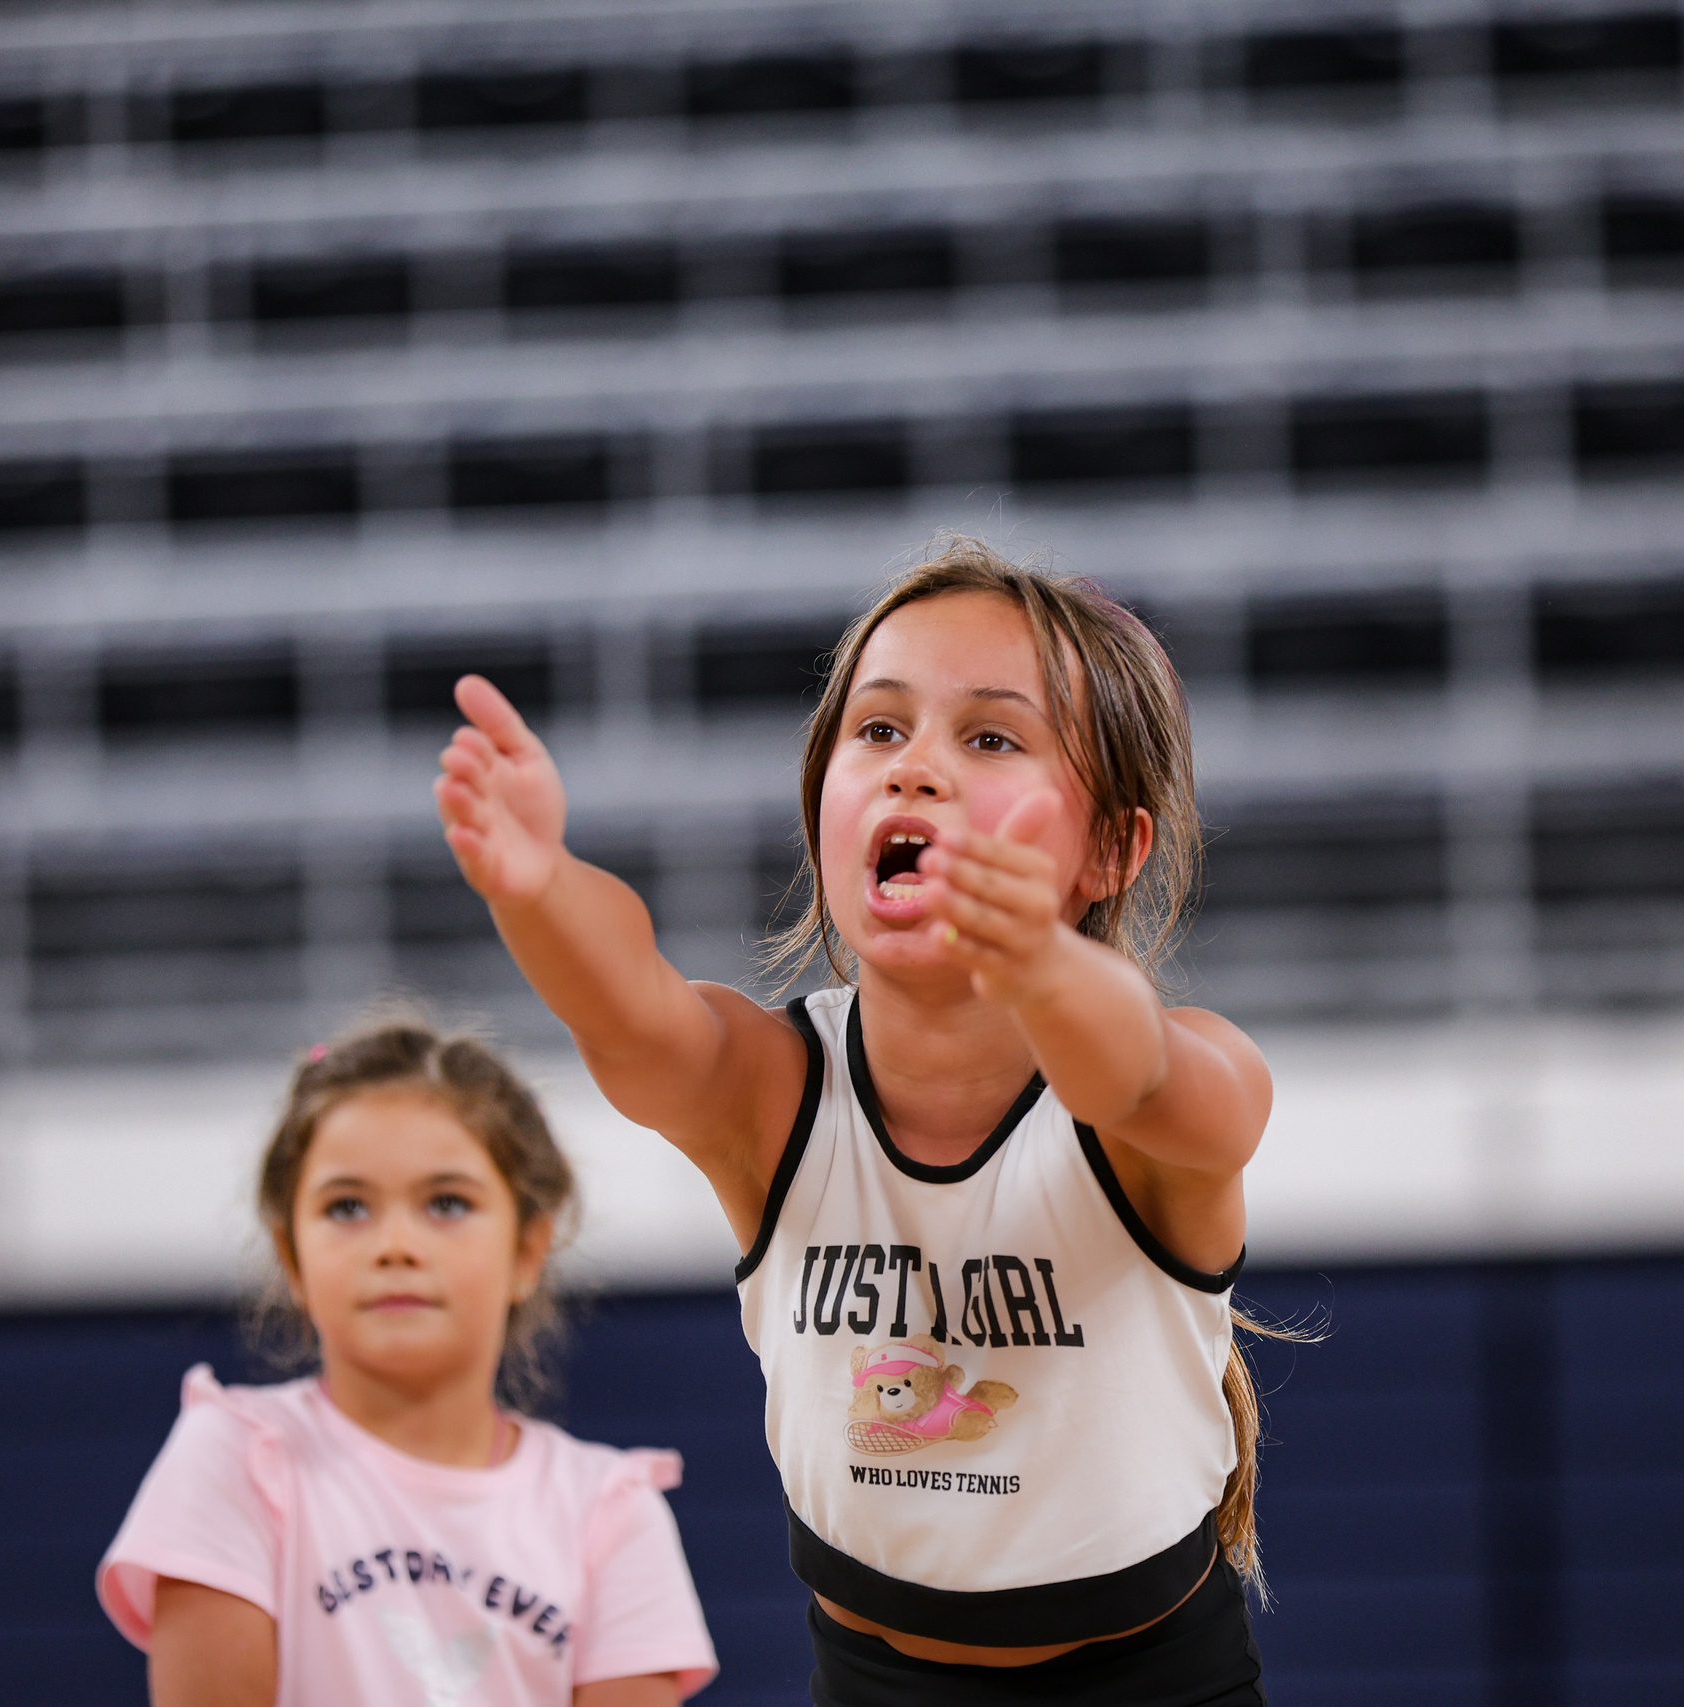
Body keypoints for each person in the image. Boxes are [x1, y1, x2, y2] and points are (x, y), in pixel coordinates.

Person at [435, 539, 1276, 1706]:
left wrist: (1035, 964)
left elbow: (1132, 1074)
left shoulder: (1181, 1083)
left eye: (989, 738)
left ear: (1107, 849)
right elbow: (633, 1013)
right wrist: (537, 888)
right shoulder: (774, 1089)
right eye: (878, 730)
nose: (915, 767)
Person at [97, 1018, 719, 1707]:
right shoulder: (236, 1454)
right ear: (291, 1254)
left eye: (447, 1203)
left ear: (526, 1248)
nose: (395, 1243)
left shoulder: (611, 1511)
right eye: (348, 1206)